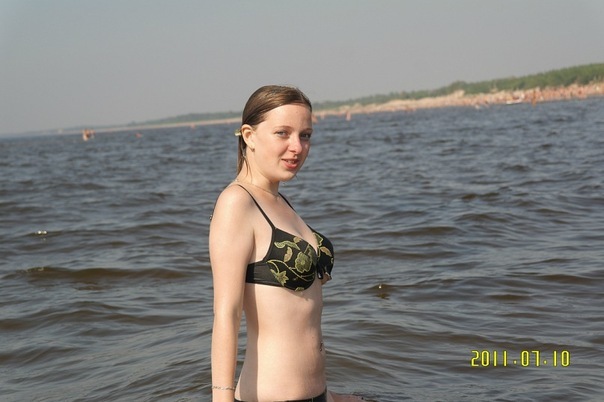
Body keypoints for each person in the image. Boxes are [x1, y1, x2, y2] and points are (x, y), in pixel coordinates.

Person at [210, 85, 364, 402]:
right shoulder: (236, 203)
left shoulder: (279, 201)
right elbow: (227, 313)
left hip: (319, 394)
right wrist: (221, 398)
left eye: (305, 135)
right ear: (249, 136)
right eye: (283, 133)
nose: (297, 147)